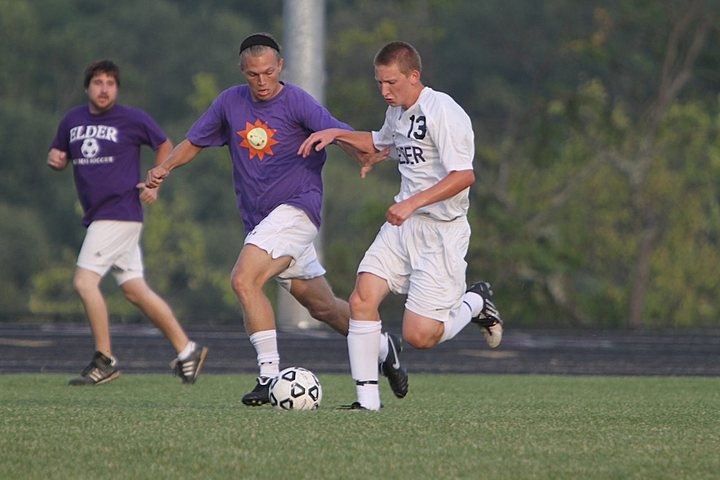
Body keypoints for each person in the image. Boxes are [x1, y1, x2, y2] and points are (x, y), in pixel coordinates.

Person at [143, 33, 408, 406]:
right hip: (263, 222)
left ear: (280, 67)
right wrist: (165, 167)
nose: (262, 81)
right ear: (242, 72)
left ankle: (268, 376)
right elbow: (195, 142)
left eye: (268, 72)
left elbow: (336, 132)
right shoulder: (229, 102)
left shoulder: (296, 100)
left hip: (297, 211)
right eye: (254, 75)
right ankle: (383, 346)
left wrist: (363, 153)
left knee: (243, 279)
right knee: (323, 307)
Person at [298, 41, 504, 410]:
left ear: (414, 76)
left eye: (391, 82)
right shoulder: (398, 111)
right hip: (402, 227)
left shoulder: (443, 111)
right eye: (379, 83)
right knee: (362, 297)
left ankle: (475, 302)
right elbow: (380, 143)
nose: (384, 91)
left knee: (419, 336)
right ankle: (366, 402)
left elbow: (464, 176)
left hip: (441, 231)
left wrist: (412, 203)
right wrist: (336, 134)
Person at [47, 60, 208, 386]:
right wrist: (57, 159)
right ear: (87, 87)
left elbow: (164, 144)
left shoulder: (131, 118)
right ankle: (187, 349)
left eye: (110, 82)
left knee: (83, 282)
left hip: (119, 213)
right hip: (100, 214)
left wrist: (155, 181)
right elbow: (59, 153)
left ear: (117, 88)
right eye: (97, 82)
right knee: (135, 290)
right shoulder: (72, 120)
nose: (104, 88)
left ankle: (104, 359)